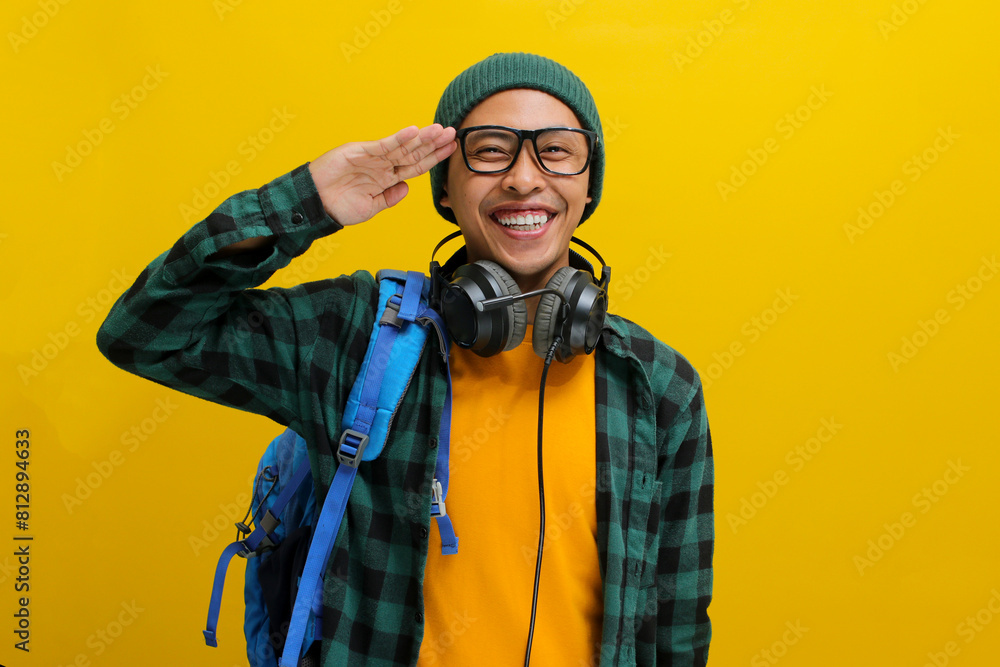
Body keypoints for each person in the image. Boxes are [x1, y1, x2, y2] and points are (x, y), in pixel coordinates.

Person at [97, 52, 713, 666]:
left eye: (555, 150)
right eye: (492, 150)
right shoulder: (356, 336)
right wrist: (307, 202)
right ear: (444, 186)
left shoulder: (657, 386)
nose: (525, 179)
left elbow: (675, 626)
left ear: (588, 184)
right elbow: (146, 332)